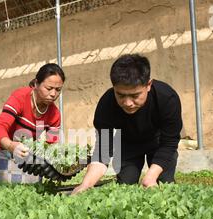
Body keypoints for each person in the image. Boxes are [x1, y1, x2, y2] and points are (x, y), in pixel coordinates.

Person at [72, 54, 182, 194]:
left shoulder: (167, 99)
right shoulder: (107, 104)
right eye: (121, 95)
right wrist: (85, 185)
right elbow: (103, 152)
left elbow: (170, 142)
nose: (128, 103)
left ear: (148, 85)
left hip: (159, 143)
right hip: (128, 144)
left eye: (135, 95)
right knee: (125, 187)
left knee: (164, 184)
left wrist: (150, 176)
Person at [0, 63, 65, 184]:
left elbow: (51, 144)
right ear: (36, 84)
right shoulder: (20, 97)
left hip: (25, 146)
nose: (53, 94)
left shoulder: (54, 115)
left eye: (58, 90)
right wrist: (11, 146)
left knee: (32, 183)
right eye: (49, 88)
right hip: (4, 141)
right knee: (5, 184)